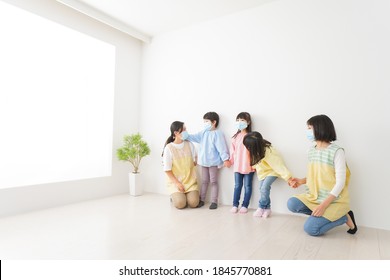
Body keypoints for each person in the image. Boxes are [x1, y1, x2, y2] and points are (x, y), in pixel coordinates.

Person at [287, 114, 357, 236]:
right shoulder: (311, 150)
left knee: (311, 229)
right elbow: (316, 176)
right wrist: (300, 181)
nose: (307, 131)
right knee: (292, 203)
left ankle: (344, 217)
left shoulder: (337, 151)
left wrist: (323, 206)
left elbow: (340, 183)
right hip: (315, 197)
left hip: (334, 200)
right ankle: (321, 215)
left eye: (310, 128)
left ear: (320, 128)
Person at [243, 131, 295, 218]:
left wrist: (288, 178)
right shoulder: (255, 150)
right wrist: (248, 155)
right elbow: (254, 164)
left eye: (248, 146)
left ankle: (261, 207)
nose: (247, 148)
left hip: (272, 171)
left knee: (264, 188)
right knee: (262, 189)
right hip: (263, 172)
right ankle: (267, 208)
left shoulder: (268, 151)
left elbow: (278, 165)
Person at [187, 112, 230, 209]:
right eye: (204, 121)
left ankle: (214, 201)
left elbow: (221, 147)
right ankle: (201, 200)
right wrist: (186, 136)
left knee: (214, 181)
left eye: (206, 121)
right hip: (203, 162)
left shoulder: (218, 134)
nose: (204, 123)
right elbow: (194, 137)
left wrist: (225, 159)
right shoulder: (203, 132)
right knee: (204, 181)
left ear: (214, 122)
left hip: (213, 162)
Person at [162, 121, 199, 209]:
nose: (186, 131)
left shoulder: (190, 144)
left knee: (194, 203)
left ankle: (187, 195)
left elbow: (194, 162)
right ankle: (176, 196)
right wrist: (177, 183)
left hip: (190, 182)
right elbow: (167, 169)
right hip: (176, 182)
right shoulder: (169, 148)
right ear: (176, 133)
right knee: (180, 204)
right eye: (184, 129)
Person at [227, 112, 255, 214]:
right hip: (238, 166)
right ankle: (235, 205)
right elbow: (232, 151)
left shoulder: (252, 136)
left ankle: (245, 205)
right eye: (238, 120)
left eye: (242, 120)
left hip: (248, 166)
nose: (239, 122)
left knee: (248, 186)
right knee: (237, 186)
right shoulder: (235, 137)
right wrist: (230, 161)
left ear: (248, 122)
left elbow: (254, 152)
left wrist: (255, 164)